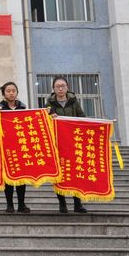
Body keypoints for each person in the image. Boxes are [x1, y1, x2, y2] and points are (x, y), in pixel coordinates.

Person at [47, 76, 88, 214]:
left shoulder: (74, 102)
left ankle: (78, 203)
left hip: (73, 143)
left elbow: (82, 118)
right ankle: (62, 203)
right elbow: (45, 122)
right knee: (59, 174)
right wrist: (50, 117)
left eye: (62, 86)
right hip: (58, 144)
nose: (60, 88)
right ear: (53, 89)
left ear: (67, 87)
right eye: (57, 86)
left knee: (76, 173)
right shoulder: (49, 104)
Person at [0, 81, 31, 214]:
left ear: (17, 92)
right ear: (4, 94)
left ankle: (21, 204)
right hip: (6, 147)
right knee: (8, 178)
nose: (11, 93)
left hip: (20, 146)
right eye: (8, 91)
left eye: (13, 90)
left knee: (21, 177)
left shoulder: (23, 107)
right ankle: (9, 204)